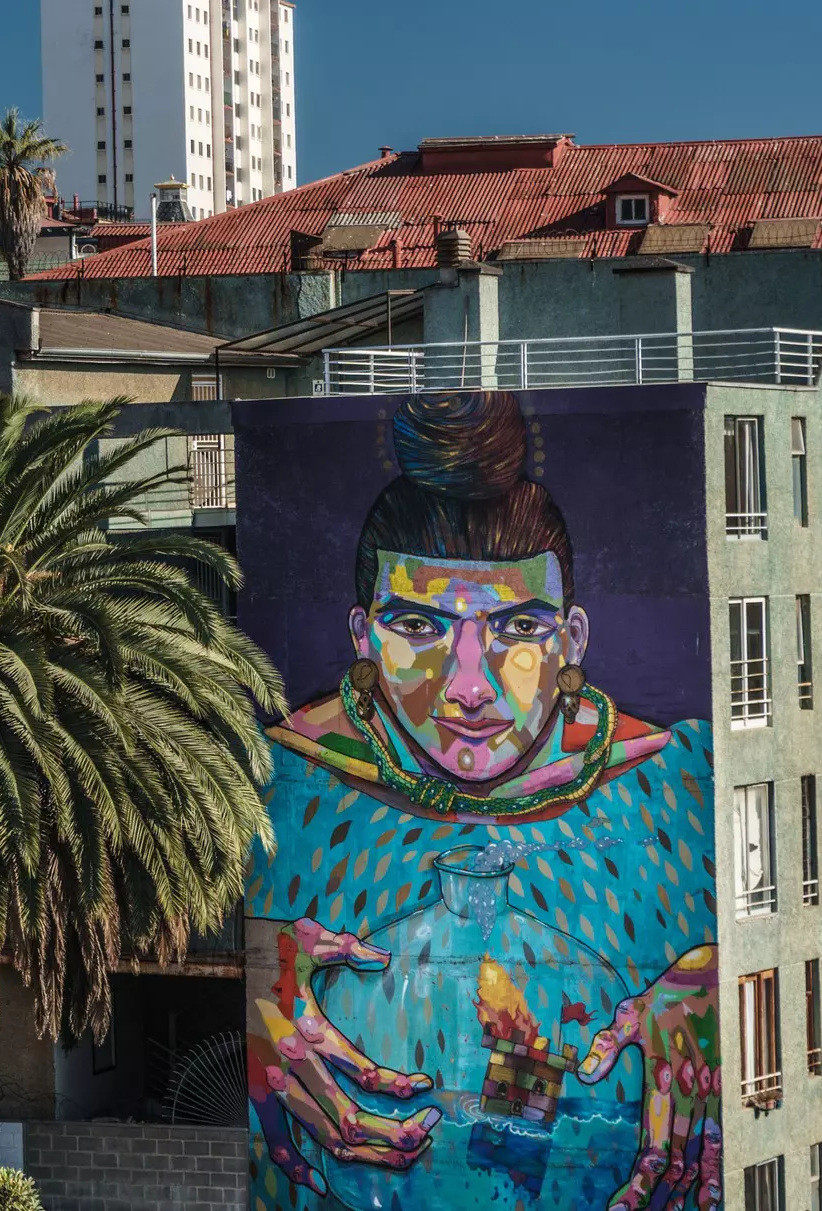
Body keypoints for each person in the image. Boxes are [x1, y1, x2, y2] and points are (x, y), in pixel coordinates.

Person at [246, 391, 719, 1211]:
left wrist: (730, 986)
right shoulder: (275, 775)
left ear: (571, 639)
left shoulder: (677, 781)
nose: (468, 686)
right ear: (363, 638)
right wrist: (252, 964)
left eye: (517, 630)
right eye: (421, 629)